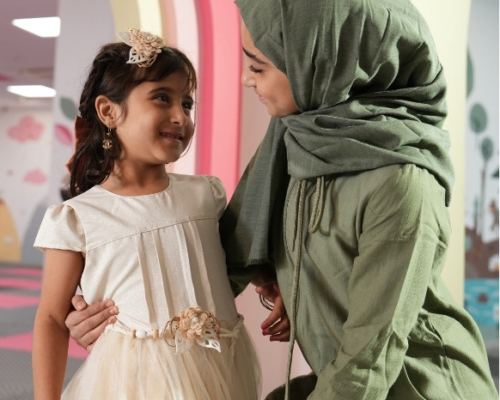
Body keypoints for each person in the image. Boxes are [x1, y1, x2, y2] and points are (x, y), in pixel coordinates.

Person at [65, 1, 499, 400]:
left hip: (414, 386)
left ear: (322, 67)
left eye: (259, 65)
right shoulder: (299, 140)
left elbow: (369, 361)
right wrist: (110, 317)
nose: (245, 78)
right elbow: (212, 263)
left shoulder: (402, 183)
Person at [32, 28, 262, 400]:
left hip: (218, 372)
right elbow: (51, 319)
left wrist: (272, 285)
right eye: (162, 98)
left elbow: (234, 259)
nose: (180, 116)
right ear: (109, 111)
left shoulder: (206, 194)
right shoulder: (77, 217)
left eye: (186, 104)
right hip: (133, 382)